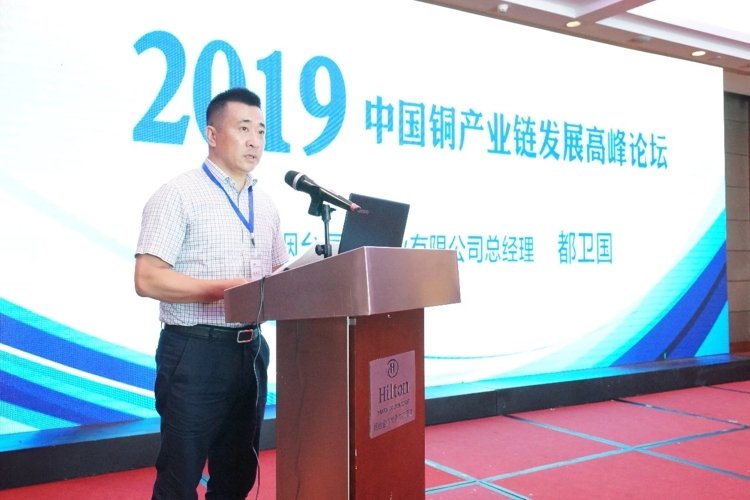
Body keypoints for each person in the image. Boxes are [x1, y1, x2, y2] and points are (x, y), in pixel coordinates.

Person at [134, 87, 289, 500]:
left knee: (237, 476)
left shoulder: (266, 205)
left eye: (261, 131)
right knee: (179, 478)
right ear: (213, 135)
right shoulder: (178, 194)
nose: (255, 140)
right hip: (195, 353)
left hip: (251, 353)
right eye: (243, 128)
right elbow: (147, 279)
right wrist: (221, 291)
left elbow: (280, 276)